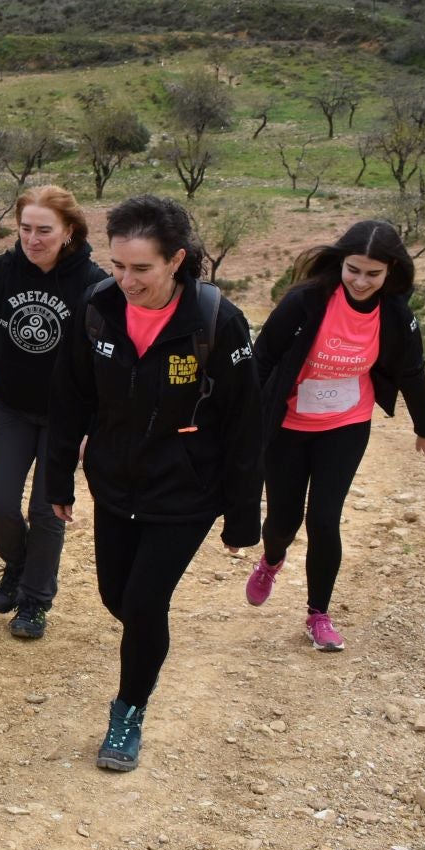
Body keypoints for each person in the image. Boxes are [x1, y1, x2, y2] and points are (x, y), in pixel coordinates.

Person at [47, 195, 261, 774]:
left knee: (142, 603)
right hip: (115, 480)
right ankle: (148, 642)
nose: (126, 279)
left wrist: (244, 517)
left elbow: (247, 425)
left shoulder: (217, 321)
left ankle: (128, 710)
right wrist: (59, 478)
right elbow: (70, 402)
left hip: (187, 490)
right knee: (118, 599)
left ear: (176, 261)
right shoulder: (96, 309)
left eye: (141, 268)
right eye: (117, 265)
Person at [248, 220, 425, 651]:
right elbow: (262, 360)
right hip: (288, 427)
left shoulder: (394, 315)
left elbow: (411, 371)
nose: (361, 281)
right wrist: (245, 420)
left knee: (324, 519)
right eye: (354, 269)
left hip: (345, 426)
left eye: (373, 273)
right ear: (340, 263)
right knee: (282, 520)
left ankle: (319, 615)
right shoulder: (305, 301)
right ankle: (271, 560)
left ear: (391, 271)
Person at [0, 186, 112, 639]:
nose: (32, 239)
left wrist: (95, 426)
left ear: (69, 232)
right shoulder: (0, 274)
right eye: (25, 228)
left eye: (44, 230)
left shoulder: (94, 285)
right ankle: (18, 566)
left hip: (68, 419)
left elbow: (105, 362)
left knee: (48, 513)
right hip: (12, 409)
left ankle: (34, 601)